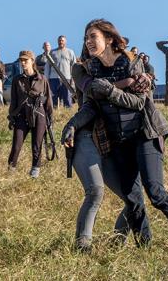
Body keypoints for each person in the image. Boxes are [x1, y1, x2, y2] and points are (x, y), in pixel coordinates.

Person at [63, 18, 168, 246]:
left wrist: (110, 91)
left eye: (93, 36)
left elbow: (138, 102)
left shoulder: (130, 62)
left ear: (109, 39)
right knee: (133, 198)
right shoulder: (92, 69)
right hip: (118, 140)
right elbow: (92, 105)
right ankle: (144, 246)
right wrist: (72, 124)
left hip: (144, 134)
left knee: (155, 192)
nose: (88, 41)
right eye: (86, 38)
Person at [60, 54, 152, 252]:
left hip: (109, 139)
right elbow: (92, 92)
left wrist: (144, 77)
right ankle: (82, 247)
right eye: (88, 43)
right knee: (95, 192)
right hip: (86, 134)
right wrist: (128, 81)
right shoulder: (80, 69)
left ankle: (116, 243)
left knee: (133, 199)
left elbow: (136, 98)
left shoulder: (118, 67)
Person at [7, 50, 53, 178]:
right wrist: (11, 117)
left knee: (37, 145)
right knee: (16, 146)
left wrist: (50, 120)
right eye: (21, 60)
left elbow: (48, 101)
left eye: (25, 60)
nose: (23, 63)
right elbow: (14, 100)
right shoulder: (17, 80)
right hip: (21, 115)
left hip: (39, 114)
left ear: (32, 61)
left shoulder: (42, 79)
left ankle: (35, 172)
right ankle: (10, 170)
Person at [47, 35, 76, 108]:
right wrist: (47, 78)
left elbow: (74, 66)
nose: (61, 42)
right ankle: (54, 113)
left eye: (62, 40)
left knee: (67, 98)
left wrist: (73, 79)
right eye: (59, 40)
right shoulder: (52, 52)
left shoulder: (70, 52)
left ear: (65, 41)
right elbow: (48, 66)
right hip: (53, 78)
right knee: (53, 98)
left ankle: (68, 113)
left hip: (66, 78)